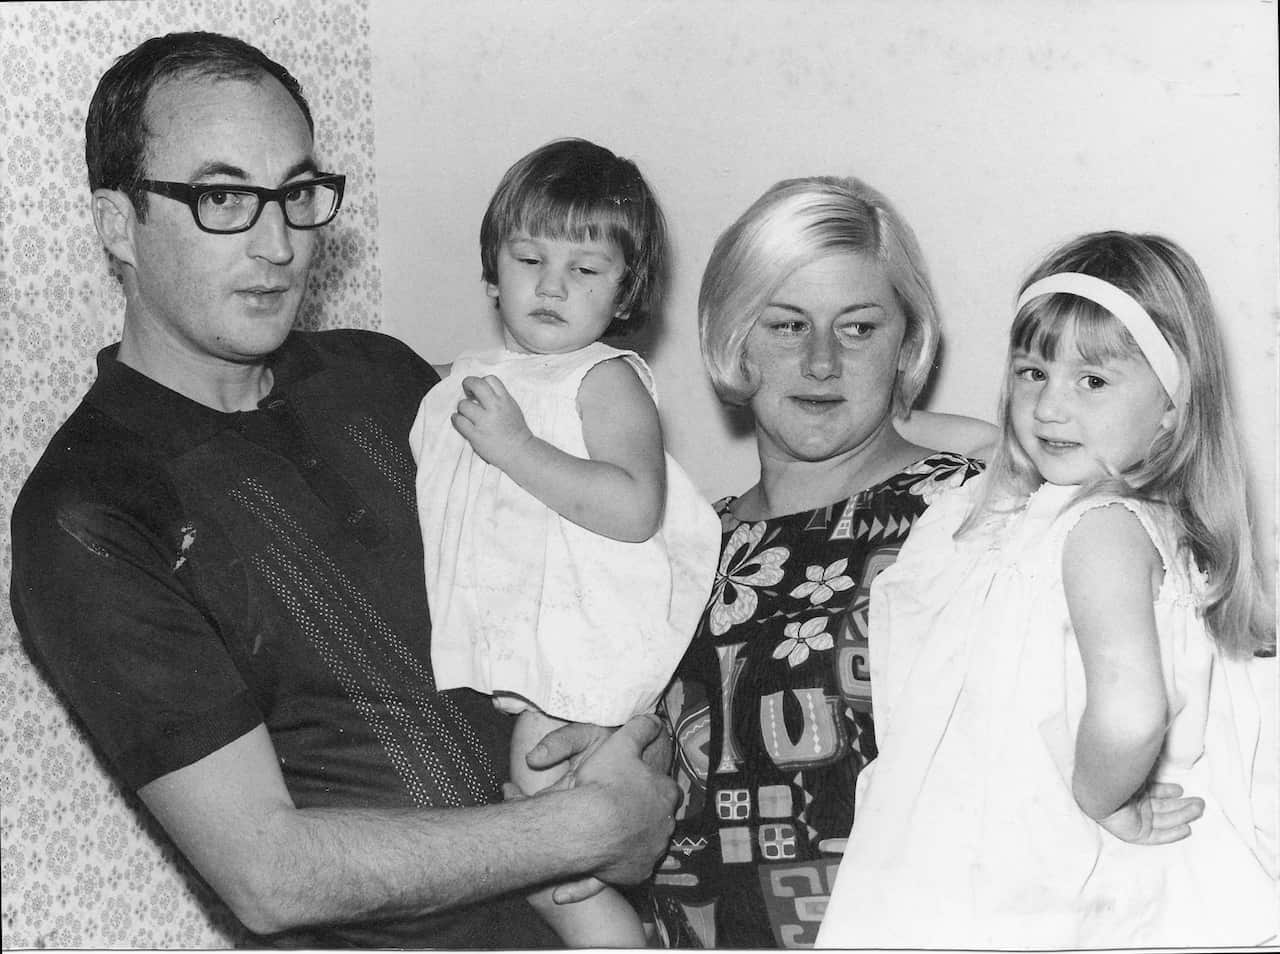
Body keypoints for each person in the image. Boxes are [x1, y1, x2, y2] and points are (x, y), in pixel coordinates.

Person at [9, 31, 678, 949]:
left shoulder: (382, 374)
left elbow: (586, 554)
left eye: (296, 193)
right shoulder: (90, 511)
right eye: (222, 197)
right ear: (118, 224)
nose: (279, 243)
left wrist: (632, 741)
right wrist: (594, 825)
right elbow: (269, 876)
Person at [816, 231, 1278, 949]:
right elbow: (967, 437)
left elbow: (1131, 714)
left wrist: (1103, 799)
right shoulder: (1073, 512)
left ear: (1172, 405)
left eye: (1092, 381)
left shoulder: (1101, 532)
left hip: (1046, 854)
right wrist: (879, 415)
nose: (1049, 408)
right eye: (1032, 372)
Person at [646, 175, 997, 948]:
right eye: (786, 325)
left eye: (858, 328)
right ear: (733, 338)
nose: (820, 363)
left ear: (908, 342)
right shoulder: (684, 545)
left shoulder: (969, 513)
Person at [409, 138, 720, 945]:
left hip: (588, 639)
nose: (552, 285)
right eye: (529, 259)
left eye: (584, 269)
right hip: (528, 642)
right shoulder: (468, 379)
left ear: (626, 289)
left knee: (542, 811)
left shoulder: (603, 378)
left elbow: (634, 507)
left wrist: (515, 448)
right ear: (492, 272)